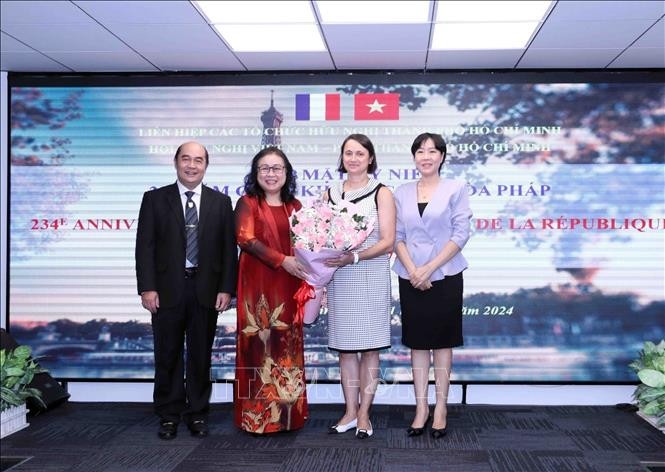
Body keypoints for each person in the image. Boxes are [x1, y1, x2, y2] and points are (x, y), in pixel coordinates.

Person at [135, 141, 237, 440]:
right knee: (166, 354)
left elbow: (228, 251)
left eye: (198, 160)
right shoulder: (155, 199)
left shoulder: (221, 203)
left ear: (207, 165)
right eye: (186, 159)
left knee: (201, 356)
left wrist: (226, 289)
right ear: (176, 162)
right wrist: (147, 288)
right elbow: (145, 247)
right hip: (166, 291)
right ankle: (168, 415)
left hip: (206, 290)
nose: (192, 165)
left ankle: (198, 414)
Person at [392, 132, 472, 439]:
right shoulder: (401, 191)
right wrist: (414, 270)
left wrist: (429, 268)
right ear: (414, 157)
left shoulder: (456, 187)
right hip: (410, 274)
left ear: (442, 156)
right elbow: (396, 235)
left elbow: (461, 233)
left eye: (432, 151)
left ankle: (441, 407)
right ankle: (421, 407)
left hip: (446, 273)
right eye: (420, 151)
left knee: (442, 341)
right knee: (417, 341)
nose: (426, 156)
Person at [324, 134, 395, 439]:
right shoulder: (329, 193)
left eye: (360, 153)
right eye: (348, 153)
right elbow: (320, 235)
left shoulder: (382, 193)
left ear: (370, 158)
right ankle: (350, 411)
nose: (353, 158)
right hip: (340, 276)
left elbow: (388, 240)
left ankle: (365, 413)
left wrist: (354, 256)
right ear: (342, 158)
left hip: (369, 273)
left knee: (369, 348)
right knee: (345, 349)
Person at [234, 147, 309, 434]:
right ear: (256, 173)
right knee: (258, 349)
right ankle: (258, 419)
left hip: (290, 286)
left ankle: (289, 417)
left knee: (286, 347)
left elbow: (307, 245)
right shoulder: (248, 203)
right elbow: (245, 239)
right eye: (264, 168)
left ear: (287, 173)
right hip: (257, 288)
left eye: (277, 168)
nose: (271, 173)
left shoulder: (297, 207)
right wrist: (283, 261)